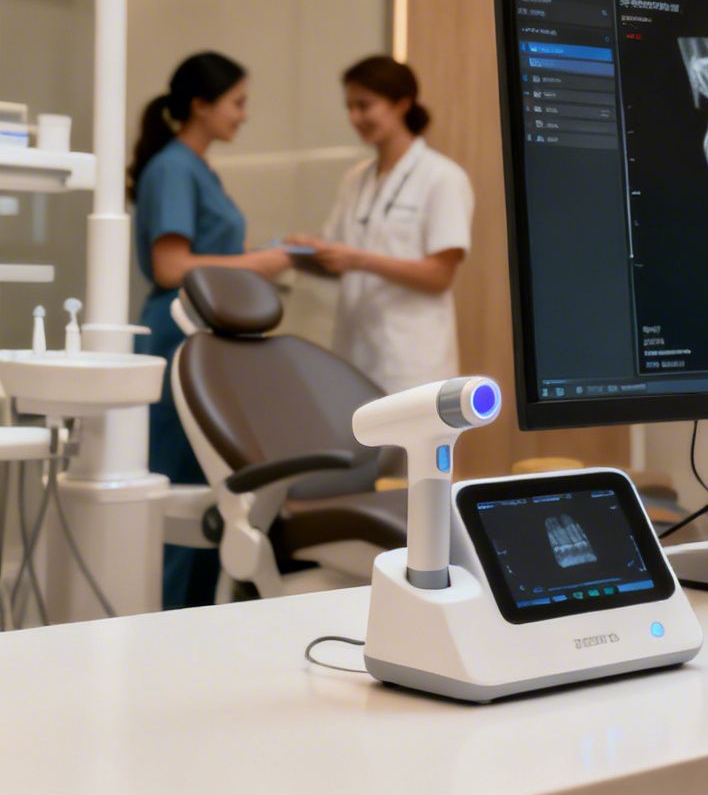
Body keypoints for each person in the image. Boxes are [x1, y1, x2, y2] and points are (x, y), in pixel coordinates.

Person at [129, 51, 291, 609]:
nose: (244, 115)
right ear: (201, 106)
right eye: (237, 102)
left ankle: (198, 622)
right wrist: (258, 265)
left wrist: (265, 259)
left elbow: (205, 256)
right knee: (181, 499)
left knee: (212, 503)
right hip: (177, 341)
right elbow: (173, 266)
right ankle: (163, 629)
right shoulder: (174, 167)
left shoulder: (199, 170)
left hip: (205, 344)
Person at [291, 56, 473, 395]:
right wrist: (305, 250)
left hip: (411, 361)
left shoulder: (443, 177)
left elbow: (439, 275)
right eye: (349, 107)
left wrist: (359, 260)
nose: (355, 118)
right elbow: (339, 259)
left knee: (411, 448)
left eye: (365, 105)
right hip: (355, 354)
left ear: (402, 103)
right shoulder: (355, 180)